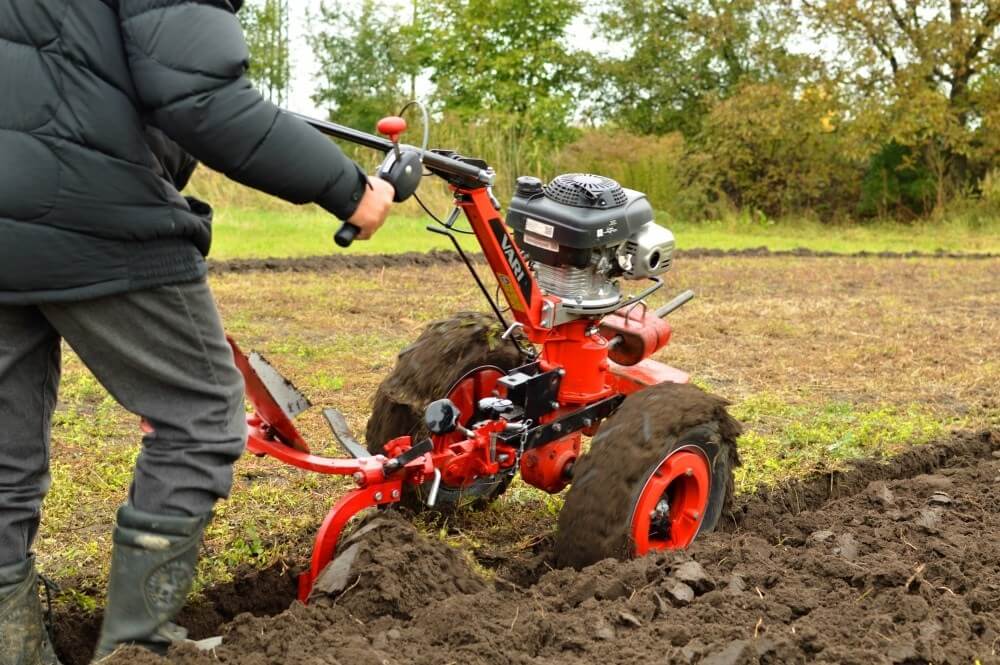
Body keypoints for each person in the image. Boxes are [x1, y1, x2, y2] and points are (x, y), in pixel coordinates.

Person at [0, 0, 395, 662]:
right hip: (87, 206)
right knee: (202, 415)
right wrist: (348, 187)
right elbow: (198, 94)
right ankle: (136, 647)